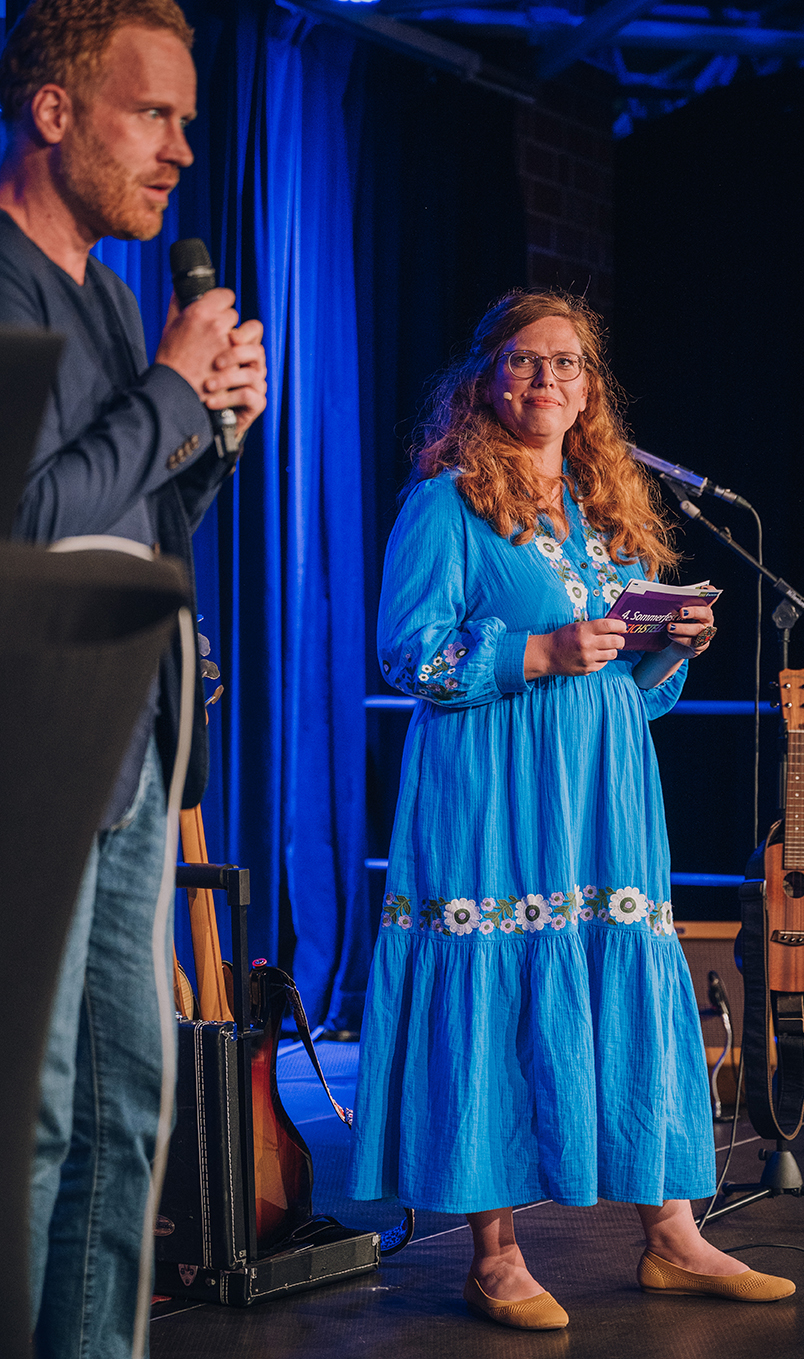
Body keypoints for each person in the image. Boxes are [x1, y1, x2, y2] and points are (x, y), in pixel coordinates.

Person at [347, 289, 794, 1328]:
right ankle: (494, 1253)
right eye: (525, 362)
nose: (546, 380)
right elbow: (406, 652)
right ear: (485, 379)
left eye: (567, 365)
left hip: (600, 784)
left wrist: (666, 650)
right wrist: (534, 652)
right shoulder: (448, 501)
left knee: (625, 972)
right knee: (492, 980)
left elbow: (637, 693)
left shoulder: (605, 509)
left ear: (591, 391)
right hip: (491, 785)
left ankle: (672, 1233)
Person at [0, 2, 266, 1356]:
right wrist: (170, 389)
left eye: (188, 121)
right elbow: (31, 524)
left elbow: (129, 526)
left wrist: (209, 439)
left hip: (124, 759)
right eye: (152, 114)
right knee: (30, 1126)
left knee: (124, 1124)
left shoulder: (110, 293)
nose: (179, 149)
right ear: (54, 113)